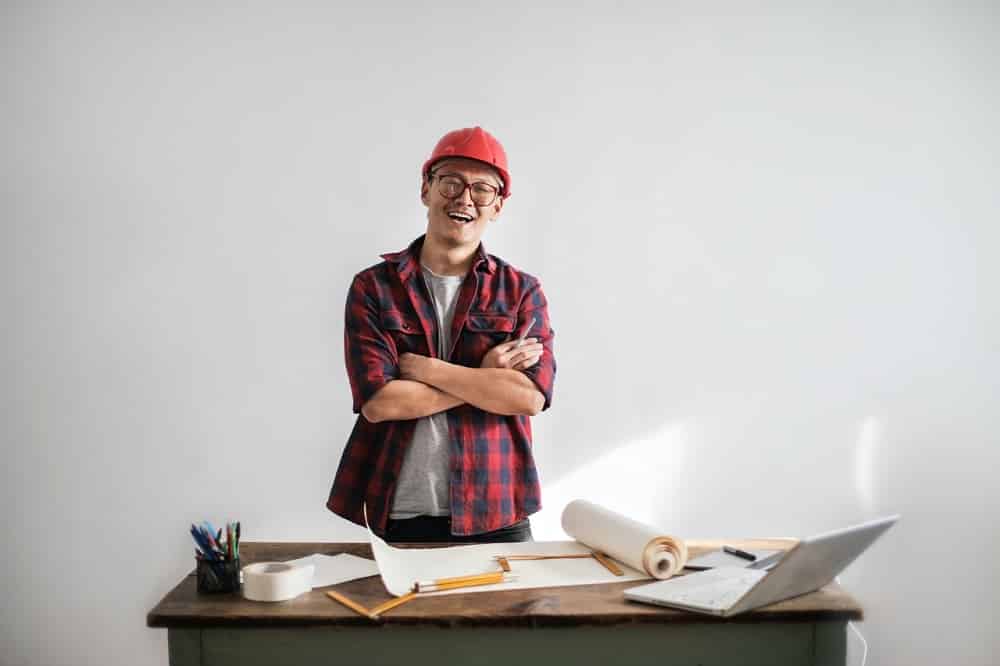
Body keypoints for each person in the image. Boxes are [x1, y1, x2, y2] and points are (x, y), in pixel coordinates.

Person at [326, 126, 556, 543]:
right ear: (426, 190)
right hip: (401, 512)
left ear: (498, 206)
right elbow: (380, 403)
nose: (465, 199)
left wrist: (429, 369)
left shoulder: (522, 291)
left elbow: (529, 398)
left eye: (483, 189)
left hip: (499, 512)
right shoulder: (374, 288)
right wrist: (485, 375)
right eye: (451, 182)